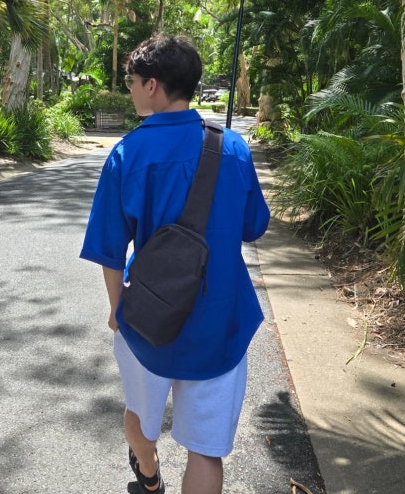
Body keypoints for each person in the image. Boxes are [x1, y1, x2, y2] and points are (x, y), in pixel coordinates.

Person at [80, 34, 270, 494]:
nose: (130, 90)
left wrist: (116, 308)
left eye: (132, 81)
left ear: (152, 85)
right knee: (205, 451)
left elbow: (109, 248)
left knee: (140, 416)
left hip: (148, 320)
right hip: (221, 322)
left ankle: (148, 475)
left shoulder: (127, 153)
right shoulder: (233, 148)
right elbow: (253, 227)